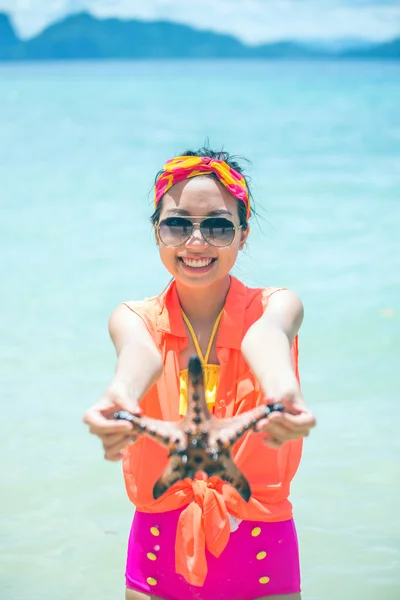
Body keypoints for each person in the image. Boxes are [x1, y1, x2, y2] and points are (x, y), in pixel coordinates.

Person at [83, 149, 316, 600]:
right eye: (177, 223)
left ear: (243, 235)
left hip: (260, 534)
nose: (196, 241)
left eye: (218, 225)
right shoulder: (136, 318)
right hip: (160, 534)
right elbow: (139, 356)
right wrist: (121, 396)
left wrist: (281, 389)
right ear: (156, 232)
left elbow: (267, 338)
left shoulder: (276, 305)